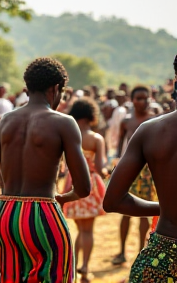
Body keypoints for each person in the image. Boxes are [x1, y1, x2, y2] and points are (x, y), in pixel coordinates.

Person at [0, 57, 91, 283]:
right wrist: (64, 198)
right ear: (55, 89)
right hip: (42, 214)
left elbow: (0, 173)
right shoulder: (63, 122)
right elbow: (84, 188)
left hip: (4, 214)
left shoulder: (5, 121)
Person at [103, 85, 177, 282]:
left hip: (162, 258)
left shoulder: (150, 130)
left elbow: (112, 201)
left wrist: (167, 209)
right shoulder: (131, 123)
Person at [63, 98, 107, 283]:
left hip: (72, 183)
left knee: (80, 229)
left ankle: (74, 266)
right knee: (88, 230)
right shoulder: (96, 138)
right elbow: (99, 166)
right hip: (90, 184)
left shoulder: (68, 136)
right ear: (91, 115)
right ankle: (85, 268)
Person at [111, 84, 156, 265]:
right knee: (125, 210)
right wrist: (115, 165)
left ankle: (140, 253)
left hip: (148, 172)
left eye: (146, 98)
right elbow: (119, 147)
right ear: (132, 100)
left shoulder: (154, 120)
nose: (143, 102)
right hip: (129, 169)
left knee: (144, 213)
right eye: (139, 98)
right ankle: (122, 252)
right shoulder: (127, 121)